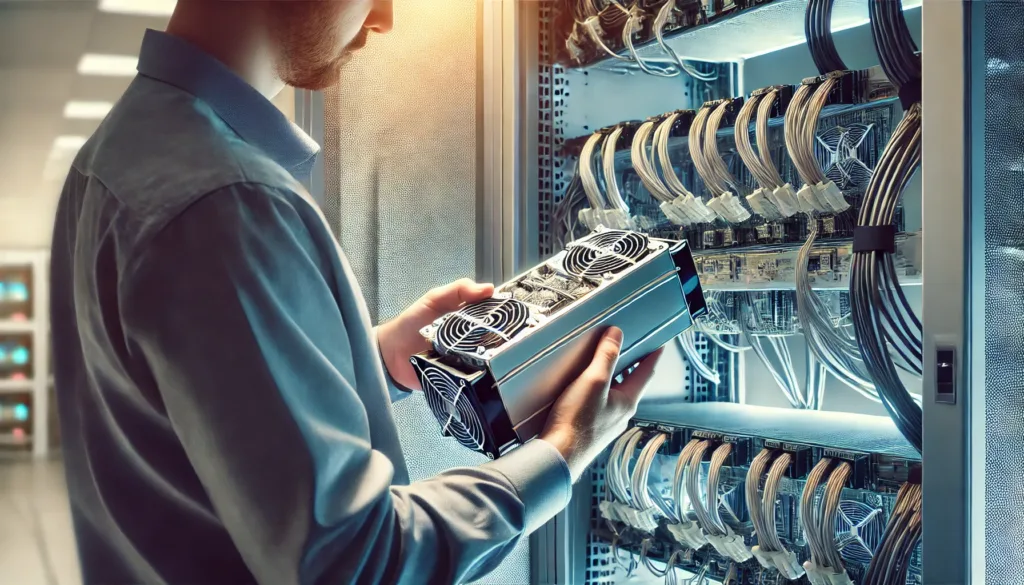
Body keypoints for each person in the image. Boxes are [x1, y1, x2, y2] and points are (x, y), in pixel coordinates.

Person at [49, 1, 664, 584]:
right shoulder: (225, 200)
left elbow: (195, 417)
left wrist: (370, 362)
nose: (384, 16)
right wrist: (560, 454)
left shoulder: (116, 156)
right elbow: (355, 562)